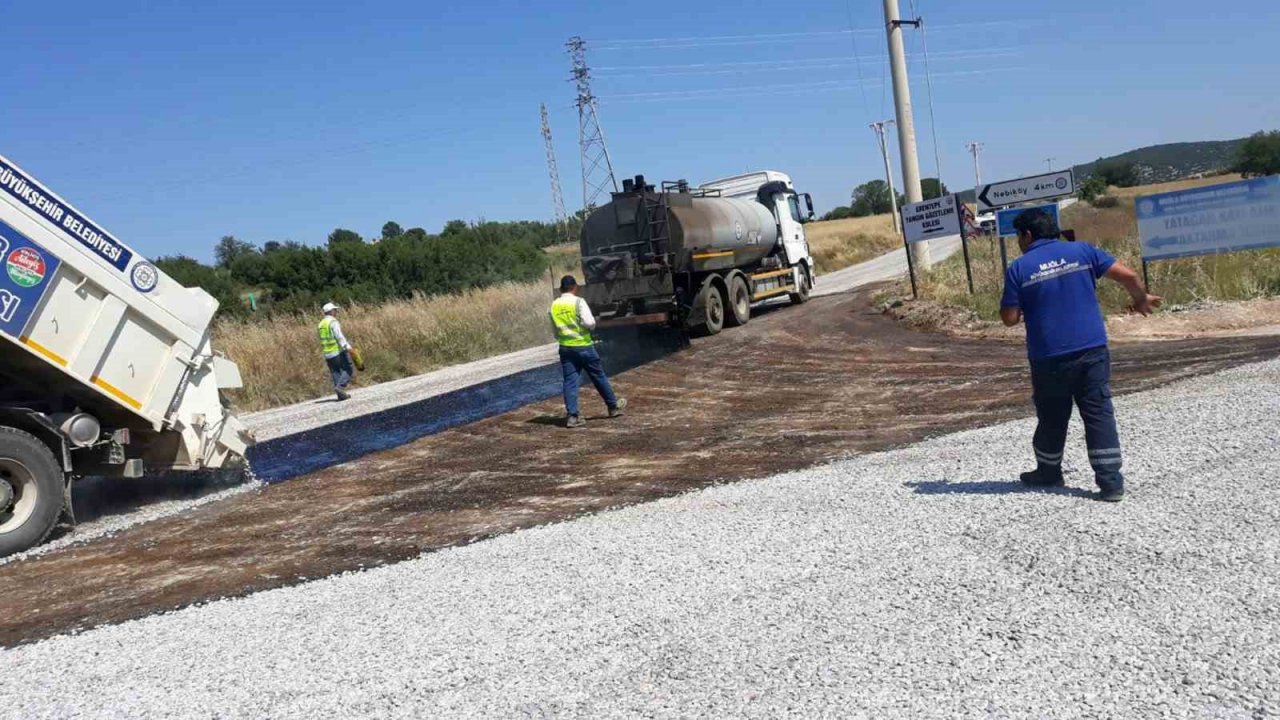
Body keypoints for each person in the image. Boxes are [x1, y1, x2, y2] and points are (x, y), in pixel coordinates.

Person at [999, 208, 1161, 502]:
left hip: (1049, 355)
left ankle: (1048, 471)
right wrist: (1140, 299)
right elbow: (1129, 275)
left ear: (1027, 235)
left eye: (1018, 237)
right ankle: (1111, 483)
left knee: (1051, 415)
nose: (1019, 243)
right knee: (1098, 412)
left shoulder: (1019, 268)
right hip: (1092, 348)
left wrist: (1023, 308)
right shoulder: (1083, 251)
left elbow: (1009, 318)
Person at [550, 275, 626, 428]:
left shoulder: (554, 305)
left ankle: (572, 417)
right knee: (598, 376)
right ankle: (613, 406)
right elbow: (590, 323)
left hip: (565, 348)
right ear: (574, 287)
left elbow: (555, 331)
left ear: (561, 289)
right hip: (583, 346)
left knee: (570, 381)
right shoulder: (579, 302)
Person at [317, 302, 355, 401]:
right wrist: (347, 347)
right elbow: (339, 336)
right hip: (337, 351)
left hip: (327, 353)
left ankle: (340, 395)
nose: (336, 311)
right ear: (331, 311)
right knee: (348, 369)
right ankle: (340, 387)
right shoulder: (333, 322)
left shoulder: (321, 324)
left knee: (335, 373)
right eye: (335, 310)